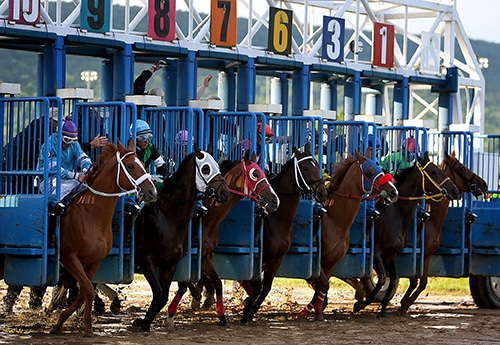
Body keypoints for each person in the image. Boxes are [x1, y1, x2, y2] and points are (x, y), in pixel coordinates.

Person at [36, 116, 92, 200]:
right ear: (59, 136)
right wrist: (76, 176)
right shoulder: (48, 146)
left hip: (67, 179)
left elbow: (82, 157)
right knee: (63, 188)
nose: (70, 144)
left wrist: (87, 169)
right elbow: (54, 169)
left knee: (88, 186)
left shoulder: (74, 143)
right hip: (48, 180)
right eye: (67, 140)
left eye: (72, 140)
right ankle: (51, 210)